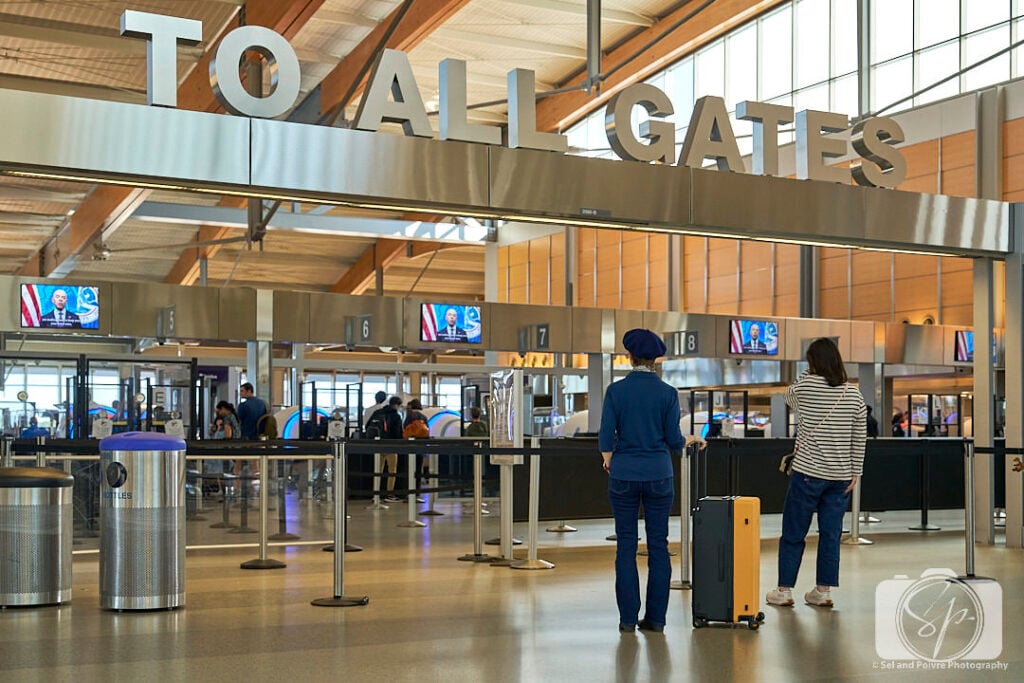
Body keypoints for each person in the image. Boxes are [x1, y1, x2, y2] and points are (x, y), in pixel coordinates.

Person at [599, 328, 704, 634]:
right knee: (658, 545)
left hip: (624, 474)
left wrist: (610, 461)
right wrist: (691, 439)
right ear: (656, 360)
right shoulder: (668, 393)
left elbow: (605, 438)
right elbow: (674, 440)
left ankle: (627, 620)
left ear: (629, 357)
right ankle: (656, 619)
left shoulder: (616, 391)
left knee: (626, 546)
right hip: (659, 474)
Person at [767, 338, 865, 609]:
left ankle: (784, 591)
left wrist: (808, 373)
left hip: (808, 473)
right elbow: (860, 436)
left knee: (794, 532)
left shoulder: (807, 386)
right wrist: (855, 471)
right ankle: (823, 592)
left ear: (812, 362)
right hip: (840, 477)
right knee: (830, 534)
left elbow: (788, 396)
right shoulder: (853, 394)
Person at [368, 396, 405, 502]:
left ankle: (375, 494)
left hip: (377, 445)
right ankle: (389, 494)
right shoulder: (396, 416)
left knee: (377, 470)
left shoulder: (377, 413)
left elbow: (368, 426)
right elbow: (398, 433)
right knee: (392, 471)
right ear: (397, 405)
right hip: (391, 446)